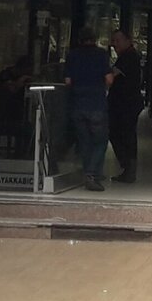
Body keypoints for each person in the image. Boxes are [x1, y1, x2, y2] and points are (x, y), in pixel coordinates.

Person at [63, 27, 114, 191]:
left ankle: (89, 173)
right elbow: (109, 79)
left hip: (77, 104)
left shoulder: (72, 56)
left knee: (84, 141)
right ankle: (92, 174)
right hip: (96, 103)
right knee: (100, 141)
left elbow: (68, 81)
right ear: (95, 38)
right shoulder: (101, 55)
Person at [108, 29, 142, 184]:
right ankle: (127, 166)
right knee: (120, 133)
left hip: (126, 104)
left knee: (123, 134)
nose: (114, 44)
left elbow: (112, 75)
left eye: (118, 40)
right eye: (113, 41)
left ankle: (128, 166)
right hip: (123, 103)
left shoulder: (129, 57)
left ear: (128, 40)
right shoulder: (126, 56)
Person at [0, 55, 34, 156]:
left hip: (16, 116)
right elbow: (12, 89)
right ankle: (20, 154)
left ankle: (23, 153)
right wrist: (21, 80)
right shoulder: (5, 75)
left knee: (31, 129)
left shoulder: (19, 77)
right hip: (3, 118)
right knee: (26, 129)